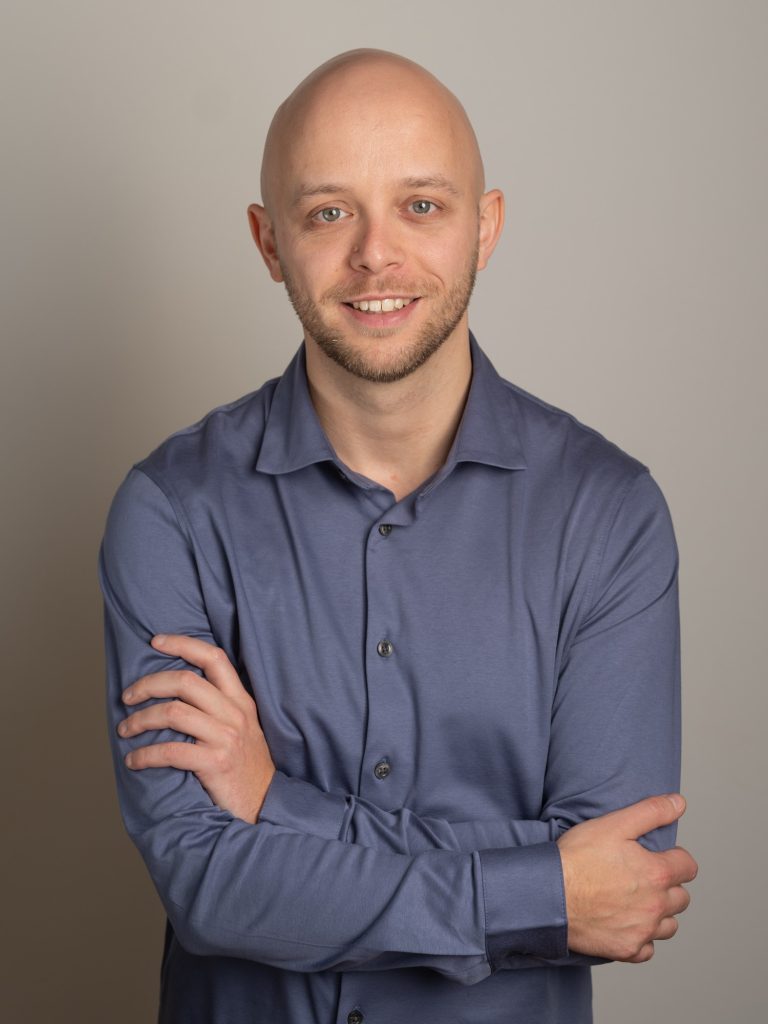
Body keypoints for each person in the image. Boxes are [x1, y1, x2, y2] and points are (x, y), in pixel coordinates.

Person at [100, 48, 697, 1024]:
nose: (376, 254)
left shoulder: (607, 514)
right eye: (329, 211)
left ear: (486, 226)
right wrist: (538, 888)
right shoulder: (171, 509)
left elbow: (618, 884)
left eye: (421, 205)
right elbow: (207, 884)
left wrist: (279, 808)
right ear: (268, 241)